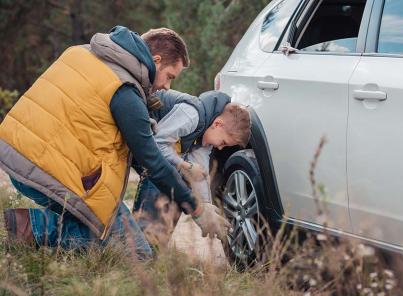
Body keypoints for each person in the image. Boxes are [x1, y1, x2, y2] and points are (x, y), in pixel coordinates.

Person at [0, 26, 229, 258]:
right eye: (170, 76)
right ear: (156, 61)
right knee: (138, 254)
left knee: (100, 229)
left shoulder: (82, 52)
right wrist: (198, 210)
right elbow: (155, 163)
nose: (167, 86)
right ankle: (23, 226)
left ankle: (28, 230)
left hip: (15, 152)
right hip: (48, 170)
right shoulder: (125, 91)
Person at [133, 89, 251, 237]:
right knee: (166, 179)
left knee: (179, 186)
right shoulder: (192, 115)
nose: (220, 147)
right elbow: (155, 145)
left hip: (143, 149)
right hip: (132, 135)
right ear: (218, 124)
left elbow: (200, 175)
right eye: (223, 142)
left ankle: (155, 243)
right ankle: (143, 242)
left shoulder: (205, 138)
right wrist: (184, 165)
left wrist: (206, 206)